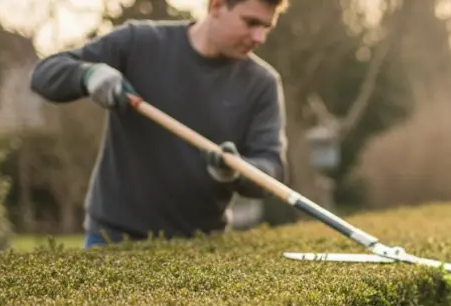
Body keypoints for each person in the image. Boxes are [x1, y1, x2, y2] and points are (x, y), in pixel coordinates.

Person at [29, 0, 289, 248]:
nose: (259, 38)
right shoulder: (139, 42)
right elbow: (44, 73)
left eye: (265, 27)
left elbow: (272, 168)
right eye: (251, 22)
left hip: (202, 244)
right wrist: (87, 74)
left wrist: (237, 171)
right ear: (217, 6)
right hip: (113, 238)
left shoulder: (261, 84)